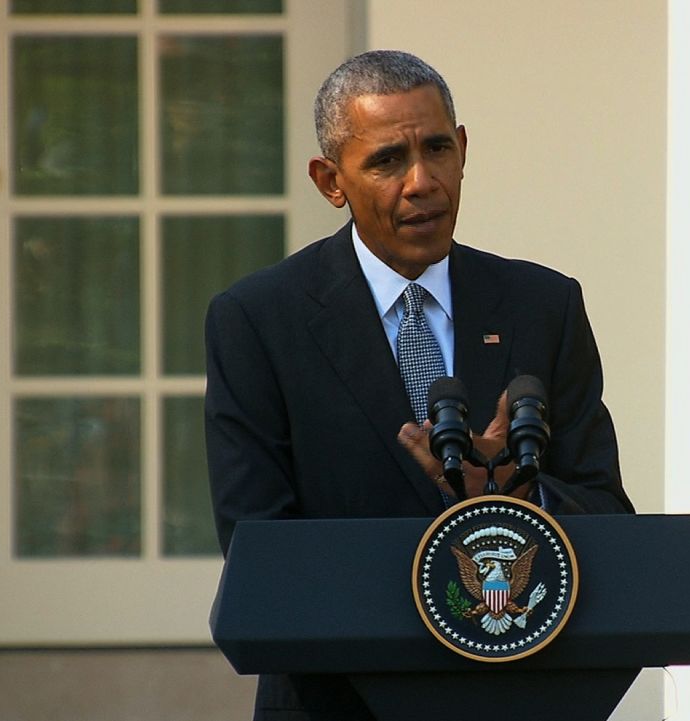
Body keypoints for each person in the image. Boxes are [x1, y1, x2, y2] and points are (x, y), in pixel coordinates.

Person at [205, 49, 632, 721]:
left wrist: (508, 496)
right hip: (336, 701)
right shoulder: (260, 320)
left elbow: (607, 512)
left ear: (463, 149)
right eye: (386, 161)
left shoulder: (543, 306)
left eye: (437, 149)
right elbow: (259, 546)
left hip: (517, 692)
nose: (422, 182)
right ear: (330, 180)